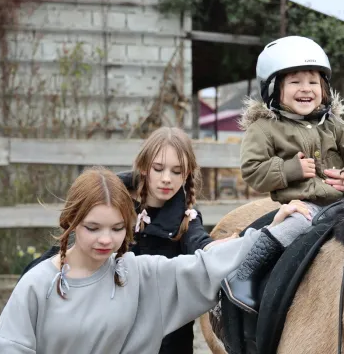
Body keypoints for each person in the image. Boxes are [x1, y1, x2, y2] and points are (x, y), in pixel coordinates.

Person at [0, 166, 310, 354]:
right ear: (71, 222)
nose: (106, 239)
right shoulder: (38, 284)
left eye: (117, 229)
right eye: (92, 228)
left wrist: (271, 233)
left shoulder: (137, 275)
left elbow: (203, 267)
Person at [18, 126, 216, 354]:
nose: (166, 179)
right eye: (158, 168)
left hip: (165, 331)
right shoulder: (111, 200)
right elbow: (76, 243)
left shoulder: (187, 217)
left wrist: (214, 247)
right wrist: (35, 279)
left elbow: (199, 241)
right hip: (112, 316)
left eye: (176, 171)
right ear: (144, 166)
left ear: (188, 172)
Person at [221, 35, 344, 313]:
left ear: (324, 88)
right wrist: (290, 170)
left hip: (342, 202)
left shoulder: (334, 124)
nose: (306, 89)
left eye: (313, 82)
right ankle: (245, 275)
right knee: (296, 226)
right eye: (295, 82)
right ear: (274, 88)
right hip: (303, 206)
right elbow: (253, 171)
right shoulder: (265, 129)